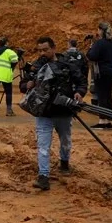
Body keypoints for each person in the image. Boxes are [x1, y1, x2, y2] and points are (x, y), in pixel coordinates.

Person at [22, 37, 88, 191]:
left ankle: (64, 162)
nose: (42, 53)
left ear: (53, 48)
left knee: (65, 140)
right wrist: (28, 85)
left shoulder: (67, 64)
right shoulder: (36, 66)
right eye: (40, 50)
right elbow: (23, 84)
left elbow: (81, 81)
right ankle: (43, 176)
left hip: (63, 111)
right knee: (43, 145)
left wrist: (79, 93)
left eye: (45, 49)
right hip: (43, 112)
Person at [87, 23, 112, 128]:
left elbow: (92, 56)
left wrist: (91, 46)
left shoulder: (100, 43)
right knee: (108, 95)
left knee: (101, 95)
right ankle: (108, 119)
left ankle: (102, 120)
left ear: (101, 30)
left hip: (101, 71)